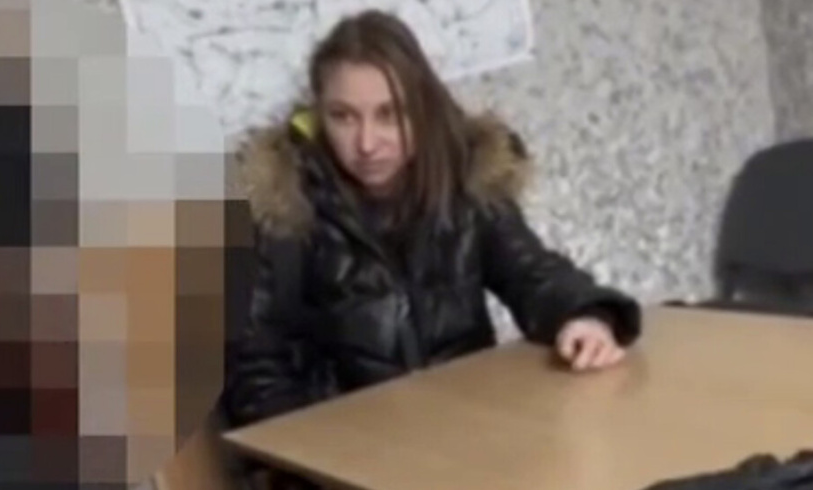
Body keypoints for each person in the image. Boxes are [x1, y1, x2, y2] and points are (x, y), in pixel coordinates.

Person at [224, 8, 641, 434]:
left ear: (423, 109)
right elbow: (255, 371)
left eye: (390, 114)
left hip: (467, 424)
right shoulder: (284, 205)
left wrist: (585, 316)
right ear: (317, 116)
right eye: (343, 116)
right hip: (349, 445)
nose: (366, 143)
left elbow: (531, 272)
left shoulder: (464, 176)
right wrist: (322, 450)